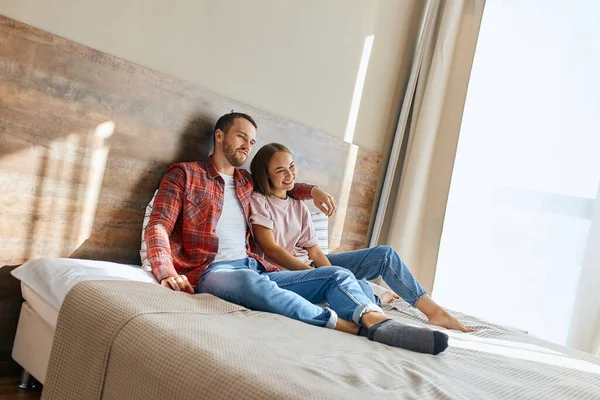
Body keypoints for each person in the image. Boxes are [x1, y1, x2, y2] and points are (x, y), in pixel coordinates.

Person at [146, 112, 449, 355]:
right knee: (251, 283)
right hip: (212, 271)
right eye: (241, 137)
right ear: (220, 135)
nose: (246, 146)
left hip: (256, 267)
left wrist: (313, 190)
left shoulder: (245, 181)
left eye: (251, 142)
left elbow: (280, 183)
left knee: (337, 275)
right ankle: (347, 326)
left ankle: (377, 321)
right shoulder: (184, 174)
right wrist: (165, 270)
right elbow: (158, 224)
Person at [249, 142, 474, 333]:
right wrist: (320, 274)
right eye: (280, 171)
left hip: (312, 266)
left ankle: (434, 312)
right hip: (286, 275)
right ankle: (375, 300)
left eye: (292, 166)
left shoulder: (299, 206)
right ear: (265, 174)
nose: (289, 175)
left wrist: (331, 272)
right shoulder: (259, 201)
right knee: (354, 287)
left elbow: (315, 253)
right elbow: (271, 249)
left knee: (384, 255)